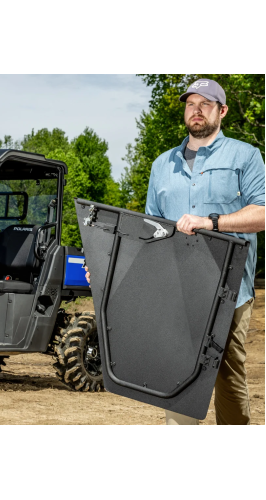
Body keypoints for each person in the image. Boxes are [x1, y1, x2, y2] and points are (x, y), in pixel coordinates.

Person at [85, 78, 265, 425]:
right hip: (177, 290)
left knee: (227, 373)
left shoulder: (245, 155)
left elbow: (262, 213)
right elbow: (147, 233)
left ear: (222, 111)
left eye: (205, 104)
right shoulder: (162, 164)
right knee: (178, 373)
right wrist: (108, 266)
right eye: (190, 104)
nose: (196, 110)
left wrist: (211, 222)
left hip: (229, 289)